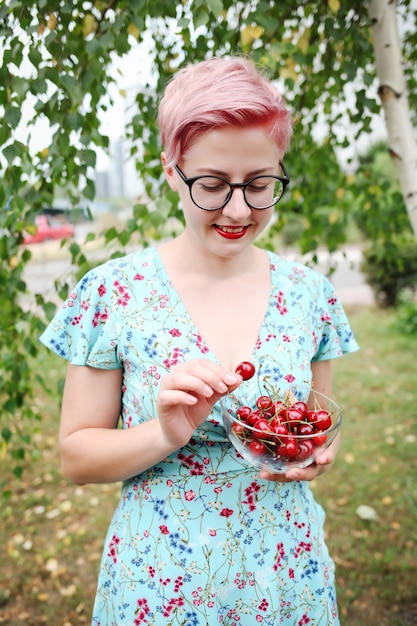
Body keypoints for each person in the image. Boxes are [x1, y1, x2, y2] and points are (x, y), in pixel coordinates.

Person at [40, 56, 359, 626]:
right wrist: (165, 432)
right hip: (161, 584)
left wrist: (316, 454)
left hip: (286, 575)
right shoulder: (114, 291)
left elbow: (314, 423)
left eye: (260, 184)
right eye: (211, 185)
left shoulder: (311, 294)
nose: (238, 209)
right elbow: (76, 456)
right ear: (171, 170)